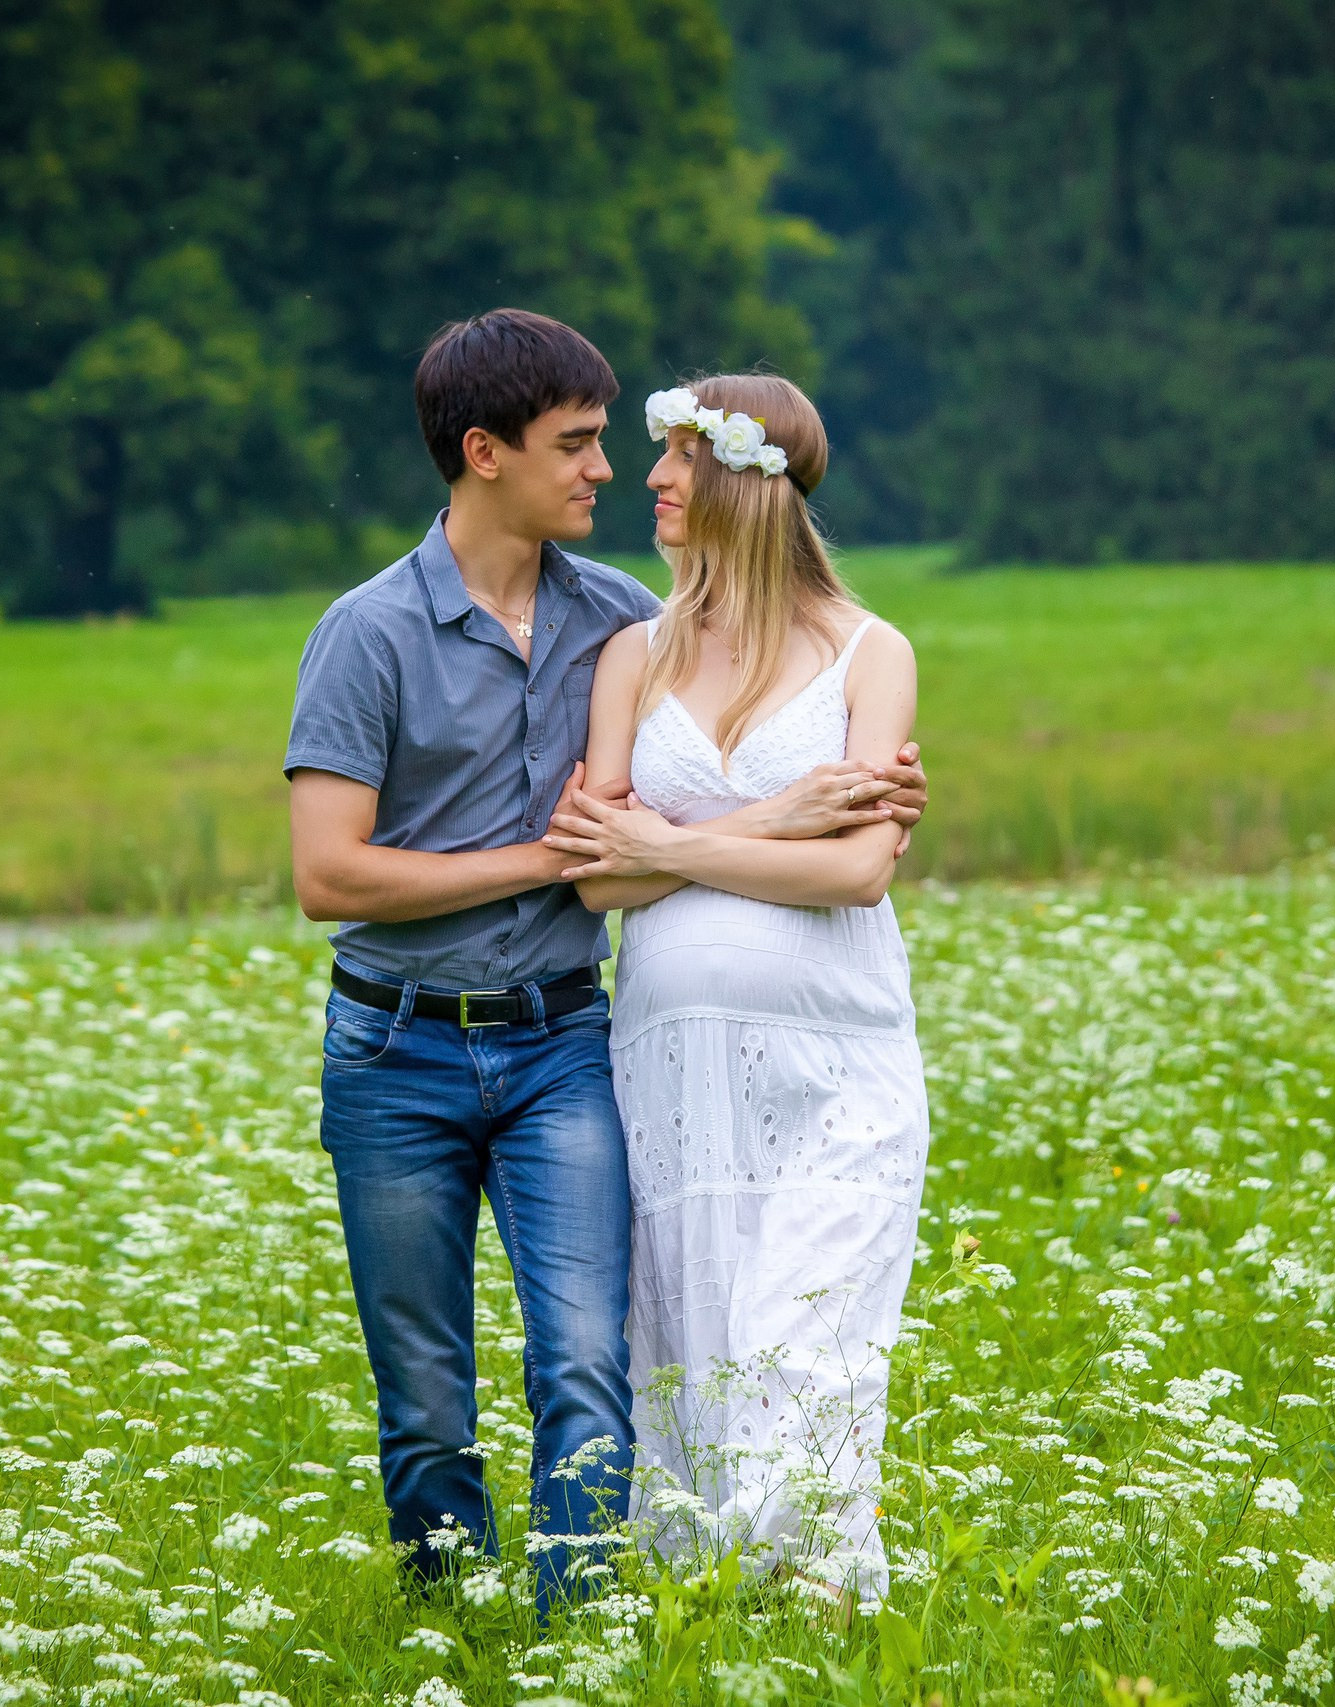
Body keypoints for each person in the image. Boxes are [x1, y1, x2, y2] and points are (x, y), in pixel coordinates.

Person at [283, 311, 926, 1606]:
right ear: (485, 453)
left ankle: (579, 1617)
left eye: (618, 443)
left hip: (564, 1040)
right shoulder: (373, 631)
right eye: (577, 443)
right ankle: (454, 1623)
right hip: (397, 1046)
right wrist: (616, 847)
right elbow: (337, 876)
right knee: (426, 1390)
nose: (610, 470)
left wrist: (726, 828)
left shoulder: (622, 619)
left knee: (590, 1356)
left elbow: (714, 833)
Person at [543, 374, 929, 1607]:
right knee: (694, 1352)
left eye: (675, 458)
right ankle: (717, 1617)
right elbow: (597, 880)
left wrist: (667, 845)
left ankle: (818, 1604)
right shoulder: (633, 656)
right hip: (673, 1070)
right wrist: (771, 822)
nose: (649, 480)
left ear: (743, 481)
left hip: (835, 1059)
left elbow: (858, 871)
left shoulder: (870, 652)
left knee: (803, 1341)